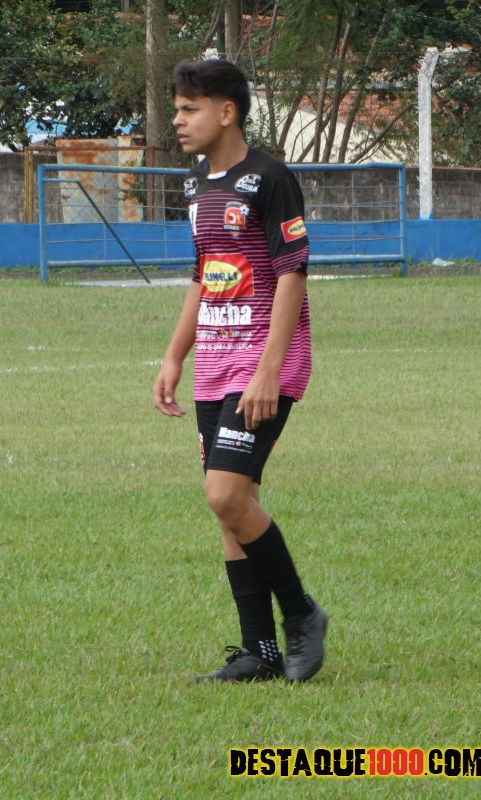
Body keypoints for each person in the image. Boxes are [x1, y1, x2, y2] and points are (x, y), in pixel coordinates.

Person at [153, 59, 327, 682]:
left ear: (226, 112)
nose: (178, 120)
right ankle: (260, 652)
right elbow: (204, 275)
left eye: (189, 108)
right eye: (177, 108)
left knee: (224, 493)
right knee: (235, 504)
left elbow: (292, 272)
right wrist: (175, 355)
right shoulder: (196, 184)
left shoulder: (270, 178)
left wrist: (268, 371)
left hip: (262, 364)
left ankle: (302, 614)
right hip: (214, 363)